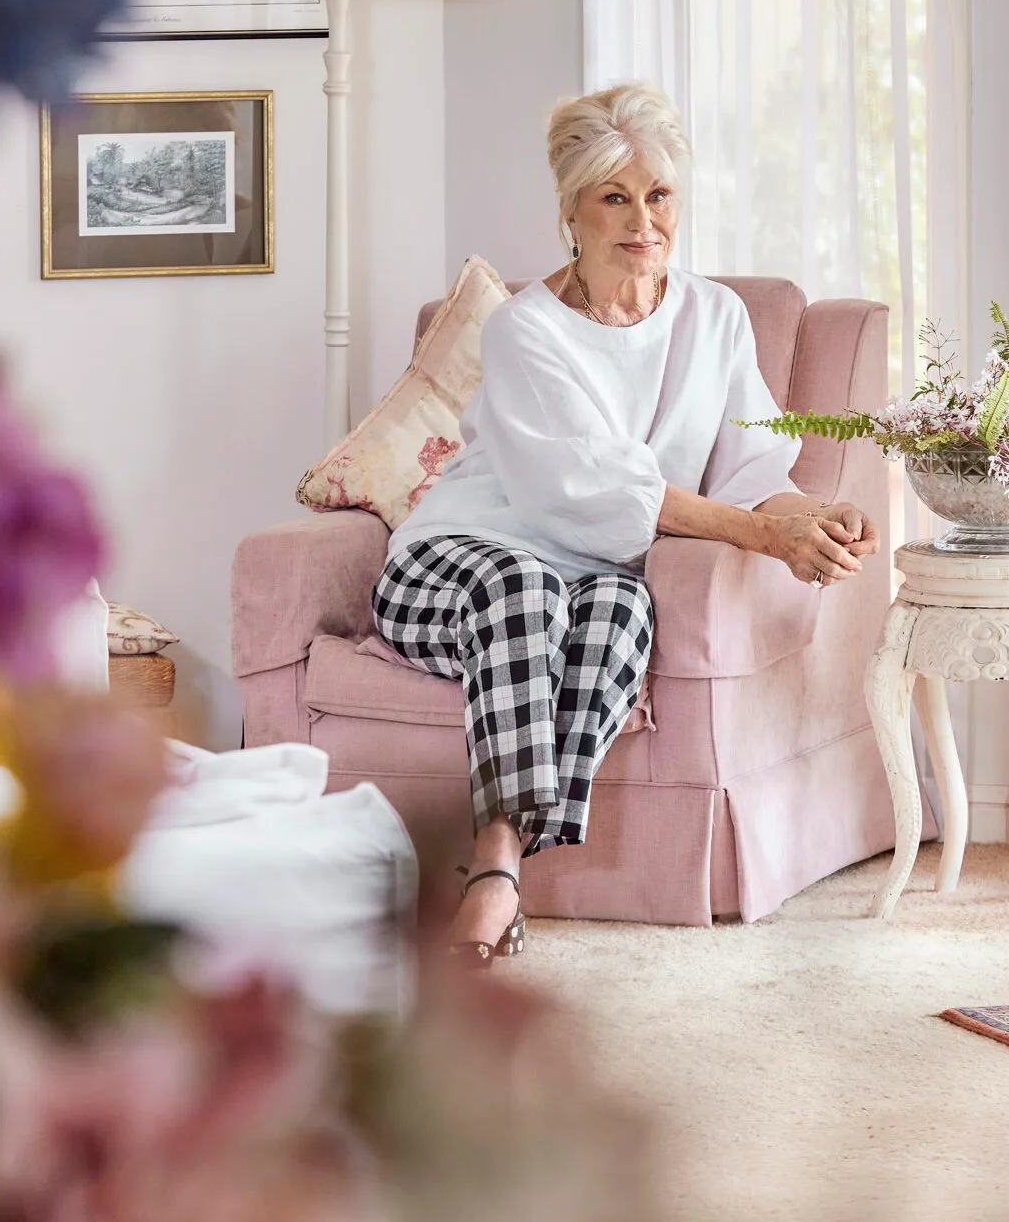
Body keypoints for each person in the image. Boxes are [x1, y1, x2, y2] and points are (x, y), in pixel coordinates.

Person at [373, 83, 879, 966]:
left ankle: (504, 871)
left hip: (589, 578)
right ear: (571, 209)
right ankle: (494, 866)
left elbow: (754, 472)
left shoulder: (715, 317)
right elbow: (594, 491)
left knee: (623, 615)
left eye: (660, 195)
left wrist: (812, 518)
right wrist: (763, 537)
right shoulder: (525, 329)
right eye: (615, 196)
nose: (643, 219)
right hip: (456, 566)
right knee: (528, 588)